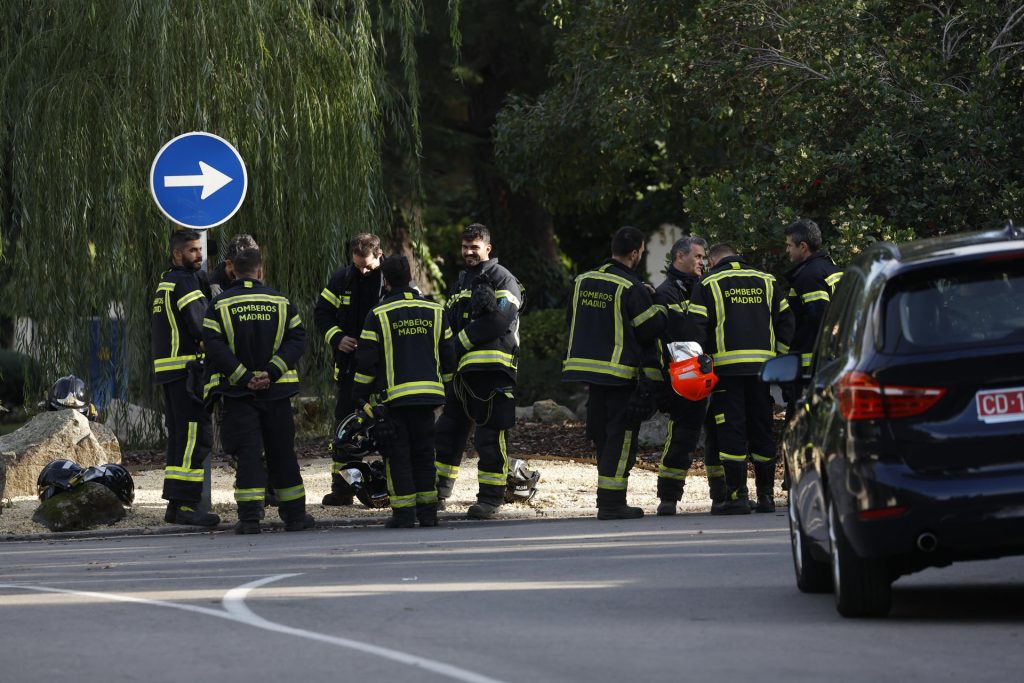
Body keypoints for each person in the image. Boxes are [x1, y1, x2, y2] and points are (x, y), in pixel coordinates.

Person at [202, 247, 312, 534]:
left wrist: (242, 377)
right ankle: (295, 517)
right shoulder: (282, 301)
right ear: (260, 271)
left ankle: (250, 518)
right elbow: (298, 340)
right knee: (282, 453)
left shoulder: (220, 304)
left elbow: (213, 345)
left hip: (239, 394)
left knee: (248, 454)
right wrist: (272, 372)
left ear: (233, 271)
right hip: (277, 392)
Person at [682, 243, 794, 514]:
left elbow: (695, 328)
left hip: (726, 374)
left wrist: (701, 365)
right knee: (762, 429)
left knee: (731, 431)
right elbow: (787, 322)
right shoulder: (766, 281)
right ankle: (766, 497)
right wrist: (778, 359)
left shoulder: (709, 284)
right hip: (762, 372)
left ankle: (737, 497)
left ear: (712, 259)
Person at [563, 226, 666, 520]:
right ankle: (611, 503)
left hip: (588, 374)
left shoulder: (582, 281)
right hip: (620, 375)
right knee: (621, 440)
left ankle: (605, 498)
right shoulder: (630, 287)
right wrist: (658, 303)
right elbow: (651, 328)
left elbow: (574, 320)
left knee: (602, 436)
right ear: (634, 253)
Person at [352, 255, 456, 528]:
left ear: (385, 281)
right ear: (409, 276)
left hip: (395, 400)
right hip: (428, 399)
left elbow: (367, 363)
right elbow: (448, 356)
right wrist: (447, 390)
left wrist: (360, 395)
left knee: (398, 455)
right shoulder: (435, 310)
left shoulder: (378, 314)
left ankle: (404, 514)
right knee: (424, 455)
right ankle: (429, 513)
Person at [434, 223, 523, 520]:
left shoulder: (503, 278)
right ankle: (437, 494)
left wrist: (455, 344)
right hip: (462, 375)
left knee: (489, 438)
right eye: (465, 247)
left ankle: (490, 499)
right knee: (447, 434)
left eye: (475, 247)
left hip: (493, 372)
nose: (469, 252)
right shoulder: (461, 282)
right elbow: (449, 321)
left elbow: (498, 323)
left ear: (488, 248)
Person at [151, 229, 219, 527]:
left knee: (181, 438)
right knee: (196, 437)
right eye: (192, 251)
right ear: (177, 254)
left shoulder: (166, 282)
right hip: (188, 371)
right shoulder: (186, 282)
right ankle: (189, 506)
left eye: (200, 250)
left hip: (172, 373)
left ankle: (176, 504)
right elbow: (203, 328)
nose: (199, 256)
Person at [313, 233, 386, 506]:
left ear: (379, 255)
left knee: (387, 426)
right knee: (345, 427)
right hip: (349, 367)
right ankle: (342, 489)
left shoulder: (390, 279)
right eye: (357, 265)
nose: (362, 270)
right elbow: (321, 312)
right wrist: (337, 337)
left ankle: (390, 486)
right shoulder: (343, 278)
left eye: (366, 265)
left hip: (382, 368)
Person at [652, 235, 715, 515]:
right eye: (698, 256)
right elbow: (679, 336)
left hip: (709, 373)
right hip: (684, 379)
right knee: (683, 437)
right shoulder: (667, 292)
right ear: (680, 257)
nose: (703, 262)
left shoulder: (702, 287)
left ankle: (723, 494)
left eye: (704, 257)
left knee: (719, 435)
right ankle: (668, 496)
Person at [783, 219, 843, 373]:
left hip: (813, 363)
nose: (787, 250)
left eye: (789, 245)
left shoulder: (809, 276)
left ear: (802, 246)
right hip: (833, 356)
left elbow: (819, 318)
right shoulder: (831, 267)